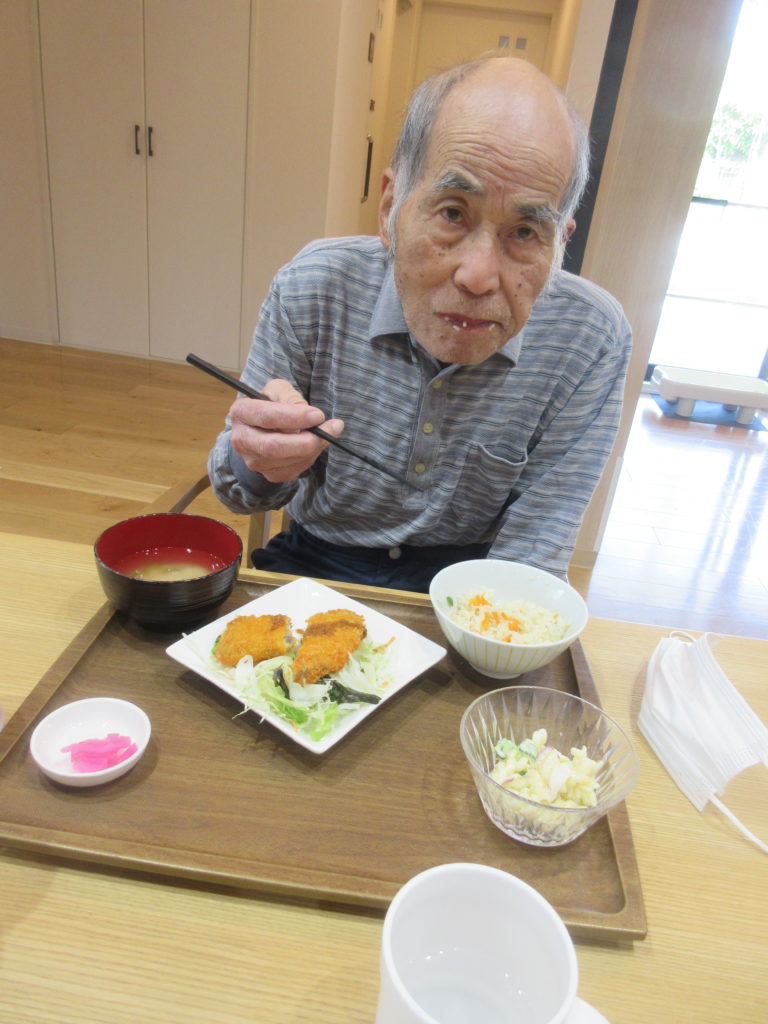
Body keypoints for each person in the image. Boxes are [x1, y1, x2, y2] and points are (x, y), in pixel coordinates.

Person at [208, 55, 632, 592]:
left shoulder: (591, 337)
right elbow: (236, 492)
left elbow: (531, 556)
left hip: (475, 586)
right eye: (453, 213)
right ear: (391, 209)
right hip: (317, 562)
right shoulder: (314, 285)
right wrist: (259, 459)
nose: (478, 276)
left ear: (560, 242)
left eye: (525, 232)